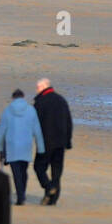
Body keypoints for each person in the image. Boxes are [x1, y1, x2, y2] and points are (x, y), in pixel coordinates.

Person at [0, 89, 45, 206]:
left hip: (12, 146)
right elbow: (37, 130)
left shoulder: (8, 110)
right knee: (23, 171)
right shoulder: (31, 110)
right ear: (23, 97)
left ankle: (20, 196)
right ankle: (21, 194)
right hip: (26, 146)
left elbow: (1, 131)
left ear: (13, 98)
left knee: (16, 173)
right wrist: (41, 148)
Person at [32, 77, 73, 205]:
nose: (36, 90)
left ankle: (49, 188)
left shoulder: (40, 102)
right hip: (60, 142)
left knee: (39, 167)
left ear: (44, 87)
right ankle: (52, 199)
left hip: (45, 142)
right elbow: (69, 122)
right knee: (56, 172)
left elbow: (34, 123)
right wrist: (67, 141)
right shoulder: (61, 100)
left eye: (38, 87)